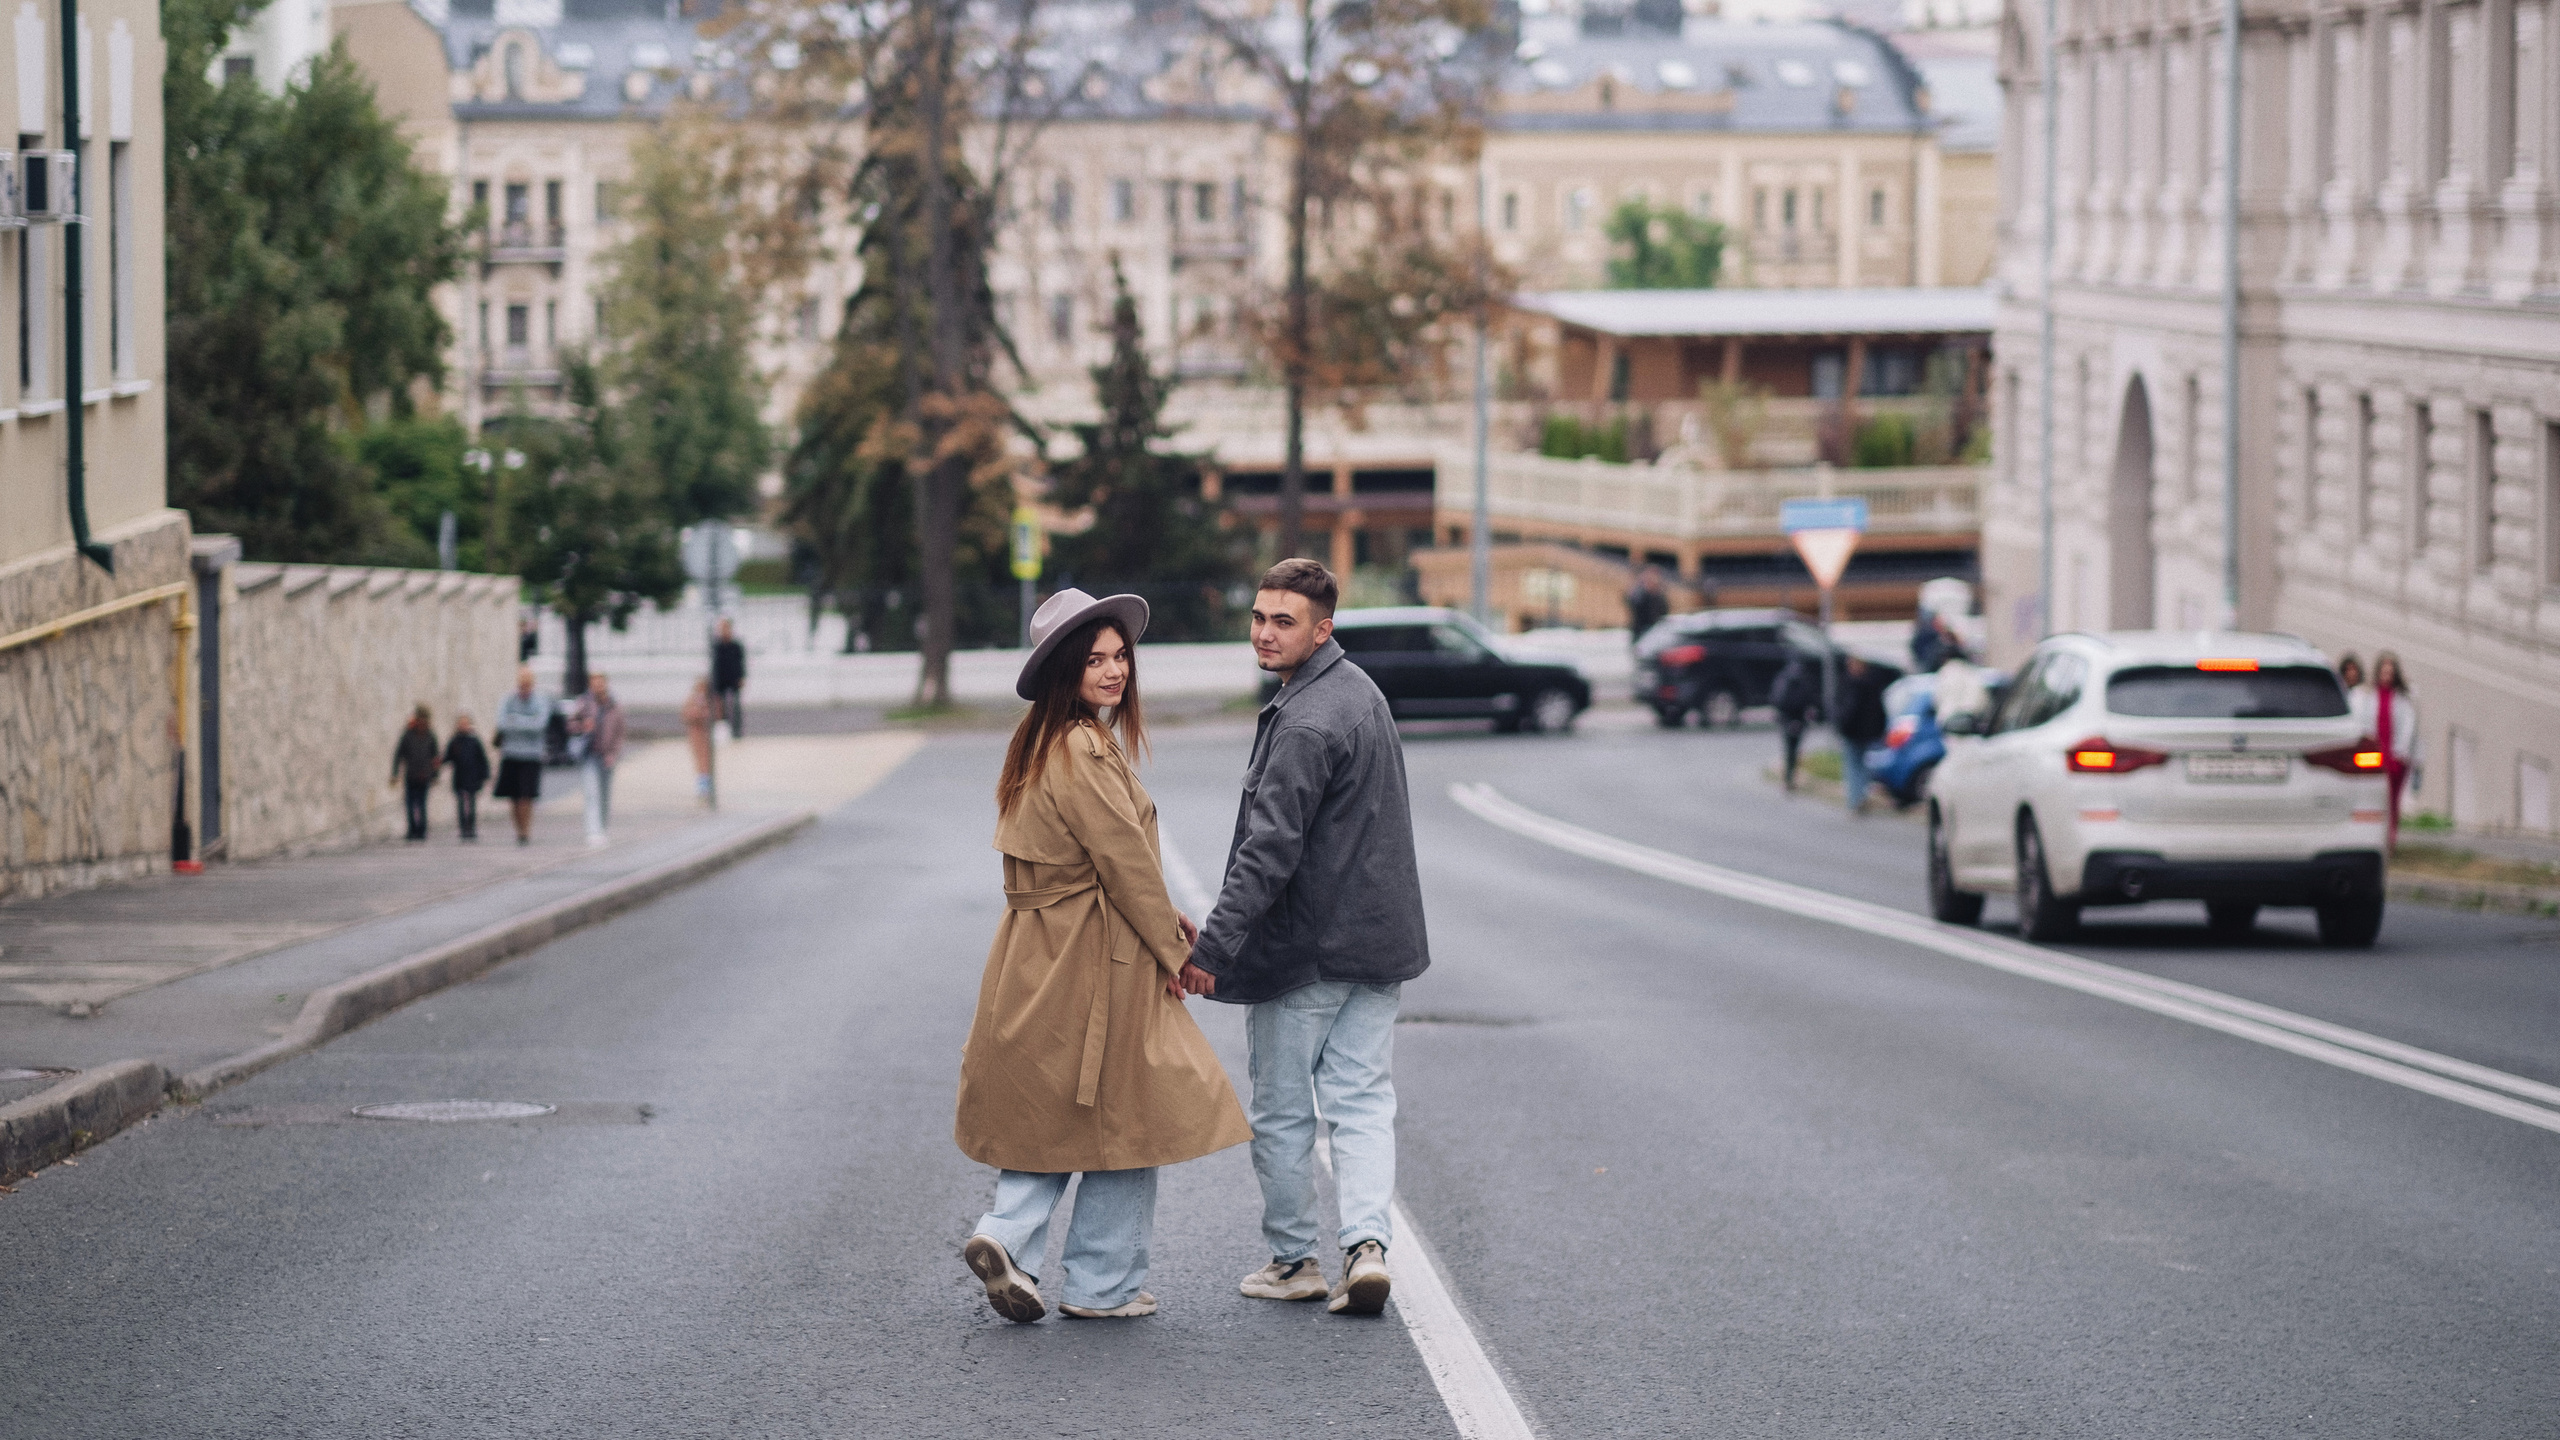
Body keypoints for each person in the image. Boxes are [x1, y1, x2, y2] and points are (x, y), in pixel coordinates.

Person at [956, 588, 1251, 1324]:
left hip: (1039, 947)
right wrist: (1178, 952)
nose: (1115, 671)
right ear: (1066, 668)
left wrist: (1161, 918)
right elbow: (1125, 864)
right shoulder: (1083, 747)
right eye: (1095, 660)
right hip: (1094, 952)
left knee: (1062, 1106)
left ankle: (1009, 1236)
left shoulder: (1040, 741)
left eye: (1121, 657)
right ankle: (1098, 1283)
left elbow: (1086, 860)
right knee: (1132, 1109)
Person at [1185, 558, 1431, 1318]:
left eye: (1283, 622)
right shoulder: (1360, 693)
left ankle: (1295, 1261)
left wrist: (1212, 949)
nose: (1264, 633)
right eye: (1259, 617)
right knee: (1362, 1102)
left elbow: (1268, 851)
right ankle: (1367, 1247)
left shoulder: (1305, 720)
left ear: (1322, 630)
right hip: (1378, 945)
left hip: (1307, 954)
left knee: (1285, 1113)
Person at [2353, 651, 2420, 850]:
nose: (2387, 676)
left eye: (2390, 673)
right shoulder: (2369, 697)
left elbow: (2407, 730)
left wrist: (2400, 754)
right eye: (2384, 672)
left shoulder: (2402, 700)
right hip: (2373, 756)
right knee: (2371, 797)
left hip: (2395, 757)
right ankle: (2371, 838)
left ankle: (2390, 838)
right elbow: (2364, 725)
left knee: (2391, 800)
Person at [492, 667, 555, 846]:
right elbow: (502, 723)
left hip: (531, 755)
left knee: (526, 795)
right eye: (521, 685)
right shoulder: (508, 699)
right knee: (513, 796)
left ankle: (525, 831)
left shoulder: (540, 700)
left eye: (527, 685)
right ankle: (518, 830)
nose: (524, 688)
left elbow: (539, 725)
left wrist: (515, 720)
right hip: (511, 753)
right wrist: (526, 722)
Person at [570, 672, 626, 847]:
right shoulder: (584, 703)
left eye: (601, 683)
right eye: (595, 683)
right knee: (591, 793)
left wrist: (614, 753)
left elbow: (620, 732)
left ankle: (602, 827)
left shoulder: (614, 705)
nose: (598, 686)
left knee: (604, 795)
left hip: (607, 756)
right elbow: (571, 724)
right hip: (589, 754)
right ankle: (593, 831)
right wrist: (582, 726)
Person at [1835, 654, 1890, 815]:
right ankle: (1862, 796)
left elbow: (1846, 709)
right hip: (1867, 732)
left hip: (1852, 731)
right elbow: (1880, 710)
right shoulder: (1873, 683)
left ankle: (1855, 800)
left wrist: (1841, 724)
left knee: (1853, 765)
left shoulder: (1850, 683)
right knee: (1863, 765)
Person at [1770, 654, 1822, 791]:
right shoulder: (1805, 679)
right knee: (1795, 749)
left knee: (1789, 749)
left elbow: (1776, 699)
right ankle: (1791, 777)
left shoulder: (1783, 678)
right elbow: (1812, 699)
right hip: (1800, 719)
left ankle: (1788, 778)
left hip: (1786, 718)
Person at [390, 706, 441, 842]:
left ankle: (421, 830)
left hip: (424, 776)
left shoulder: (430, 735)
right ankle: (412, 830)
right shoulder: (408, 734)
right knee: (410, 804)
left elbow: (435, 758)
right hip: (411, 775)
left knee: (421, 804)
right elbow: (399, 754)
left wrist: (435, 775)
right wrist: (395, 773)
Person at [444, 714, 490, 841]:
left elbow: (482, 759)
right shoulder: (454, 741)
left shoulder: (474, 741)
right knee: (460, 804)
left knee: (472, 804)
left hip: (473, 777)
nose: (463, 726)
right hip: (459, 777)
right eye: (461, 724)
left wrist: (485, 775)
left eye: (465, 723)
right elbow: (448, 756)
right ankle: (463, 828)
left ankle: (471, 827)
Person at [681, 678, 717, 805]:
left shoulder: (709, 700)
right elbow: (687, 714)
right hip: (697, 735)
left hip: (706, 735)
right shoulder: (694, 700)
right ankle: (703, 786)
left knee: (705, 761)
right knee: (701, 761)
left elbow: (715, 713)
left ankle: (705, 786)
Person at [711, 619, 748, 739]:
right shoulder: (717, 646)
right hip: (721, 680)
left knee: (736, 706)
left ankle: (737, 731)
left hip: (734, 678)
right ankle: (725, 731)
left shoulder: (736, 646)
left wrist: (742, 677)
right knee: (721, 707)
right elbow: (714, 665)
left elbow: (741, 662)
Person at [1624, 566, 1669, 647]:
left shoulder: (1659, 596)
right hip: (1641, 631)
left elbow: (1664, 612)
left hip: (1655, 631)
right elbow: (1633, 603)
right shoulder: (1640, 593)